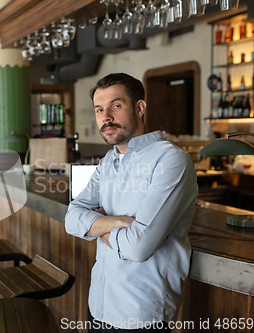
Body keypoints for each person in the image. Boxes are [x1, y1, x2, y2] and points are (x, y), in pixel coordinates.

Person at [65, 73, 198, 332]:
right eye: (99, 109)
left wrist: (99, 228)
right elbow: (71, 218)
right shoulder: (108, 161)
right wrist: (118, 223)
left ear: (139, 108)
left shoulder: (171, 161)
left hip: (140, 312)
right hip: (99, 304)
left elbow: (137, 247)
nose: (106, 117)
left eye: (116, 105)